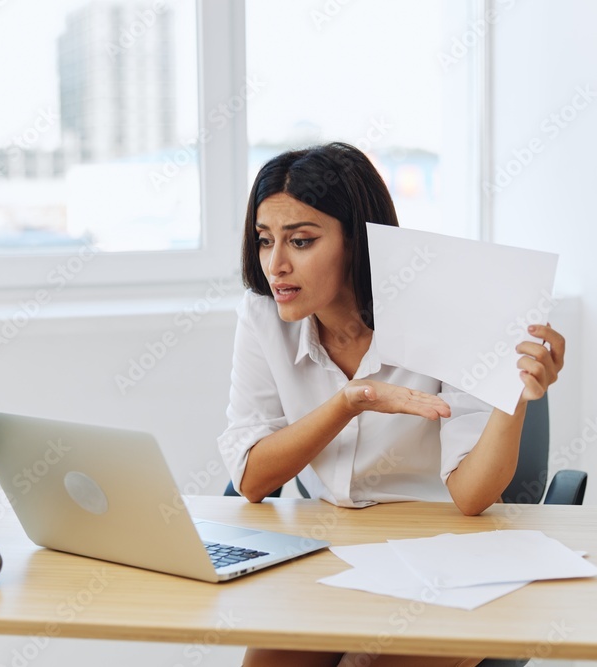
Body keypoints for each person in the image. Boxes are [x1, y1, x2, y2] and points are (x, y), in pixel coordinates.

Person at [217, 142, 564, 667]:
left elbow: (471, 497)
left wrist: (510, 393)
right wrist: (350, 402)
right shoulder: (264, 314)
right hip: (324, 549)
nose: (276, 265)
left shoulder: (450, 309)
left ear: (358, 243)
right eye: (265, 241)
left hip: (443, 554)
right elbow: (251, 478)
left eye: (302, 241)